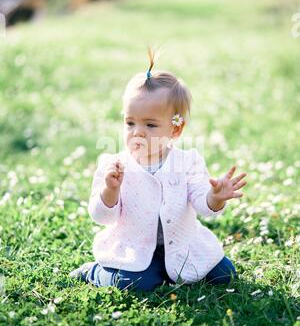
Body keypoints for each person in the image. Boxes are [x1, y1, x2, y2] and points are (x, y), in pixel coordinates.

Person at [69, 49, 247, 292]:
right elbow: (102, 217)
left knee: (224, 275)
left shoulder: (188, 162)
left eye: (150, 125)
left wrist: (214, 197)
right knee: (132, 283)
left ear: (175, 130)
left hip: (184, 245)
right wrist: (110, 191)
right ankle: (95, 272)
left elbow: (205, 207)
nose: (137, 132)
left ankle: (165, 270)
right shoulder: (114, 165)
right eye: (130, 123)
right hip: (135, 246)